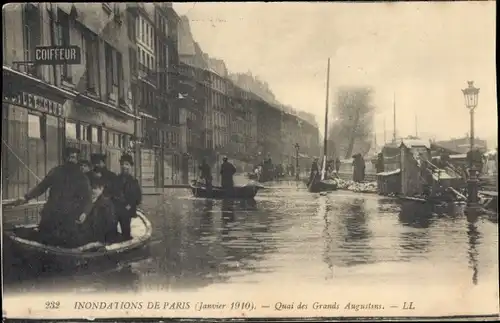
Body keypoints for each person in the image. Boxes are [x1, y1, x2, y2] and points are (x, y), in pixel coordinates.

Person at [15, 147, 93, 248]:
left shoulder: (82, 178)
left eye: (73, 157)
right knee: (45, 241)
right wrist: (26, 197)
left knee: (66, 244)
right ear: (64, 158)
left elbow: (88, 199)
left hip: (70, 217)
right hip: (51, 214)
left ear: (77, 159)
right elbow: (41, 187)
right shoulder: (56, 172)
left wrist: (84, 213)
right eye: (69, 157)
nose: (71, 160)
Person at [76, 175, 118, 245]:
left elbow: (110, 223)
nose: (92, 191)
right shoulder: (85, 202)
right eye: (90, 188)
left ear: (101, 189)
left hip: (100, 238)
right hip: (85, 236)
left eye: (95, 188)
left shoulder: (107, 204)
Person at [114, 154, 142, 240]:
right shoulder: (116, 179)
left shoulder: (133, 181)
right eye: (122, 164)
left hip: (127, 210)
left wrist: (127, 207)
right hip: (116, 209)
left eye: (126, 164)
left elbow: (137, 199)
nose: (124, 166)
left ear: (130, 166)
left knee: (126, 229)